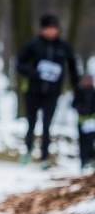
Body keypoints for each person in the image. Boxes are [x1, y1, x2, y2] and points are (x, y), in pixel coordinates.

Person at [16, 13, 79, 170]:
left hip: (53, 92)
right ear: (42, 29)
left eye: (54, 28)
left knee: (47, 125)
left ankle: (44, 157)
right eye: (48, 28)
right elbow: (19, 64)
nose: (51, 31)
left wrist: (77, 88)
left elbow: (73, 68)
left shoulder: (63, 47)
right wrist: (32, 72)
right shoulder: (33, 45)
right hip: (33, 90)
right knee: (31, 123)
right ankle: (28, 150)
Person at [72, 74, 95, 173]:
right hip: (82, 121)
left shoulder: (94, 92)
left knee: (91, 142)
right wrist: (80, 107)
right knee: (82, 142)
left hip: (92, 121)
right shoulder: (79, 91)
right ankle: (83, 161)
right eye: (87, 80)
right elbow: (73, 104)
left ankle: (91, 160)